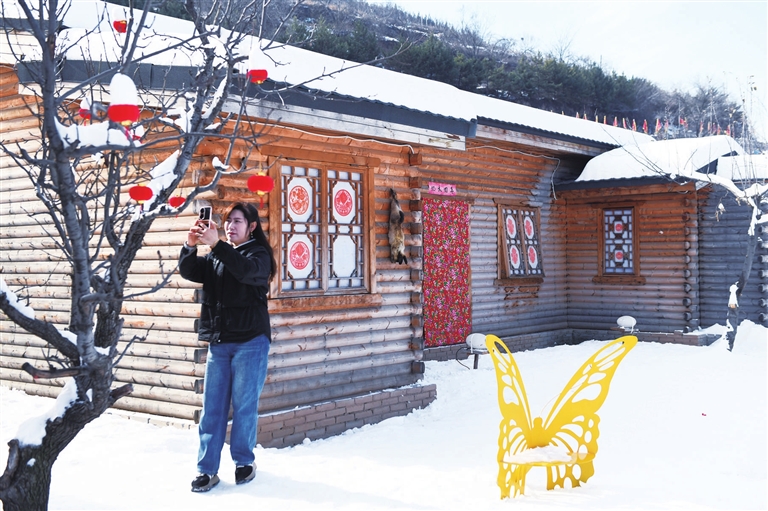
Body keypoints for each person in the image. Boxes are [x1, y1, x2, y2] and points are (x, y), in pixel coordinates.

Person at [179, 202, 276, 493]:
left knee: (244, 406)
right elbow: (189, 270)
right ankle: (206, 470)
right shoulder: (218, 255)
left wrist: (217, 245)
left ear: (252, 227)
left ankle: (244, 462)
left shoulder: (259, 256)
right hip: (220, 343)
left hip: (250, 341)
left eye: (238, 221)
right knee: (212, 409)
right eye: (228, 221)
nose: (231, 226)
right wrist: (191, 244)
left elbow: (245, 272)